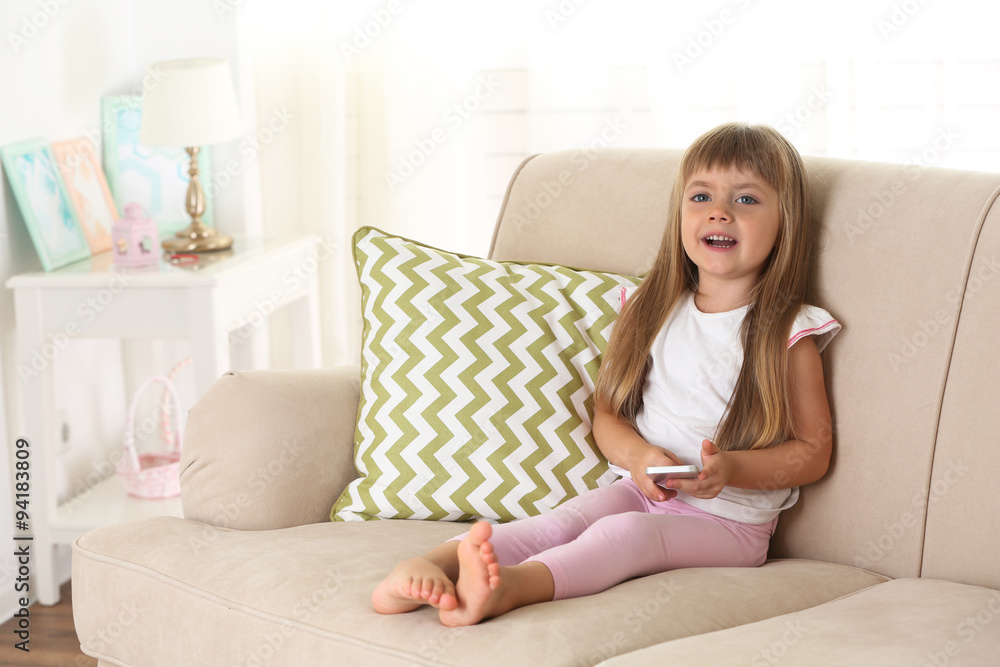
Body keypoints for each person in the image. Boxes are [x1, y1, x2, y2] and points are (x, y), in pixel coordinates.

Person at [372, 122, 840, 627]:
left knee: (625, 537)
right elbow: (607, 414)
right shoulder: (653, 306)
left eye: (746, 200)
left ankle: (508, 589)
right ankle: (426, 565)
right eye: (700, 195)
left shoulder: (788, 330)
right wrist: (638, 457)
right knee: (562, 522)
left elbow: (813, 453)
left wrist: (733, 470)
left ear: (785, 221)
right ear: (679, 214)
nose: (718, 211)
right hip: (644, 488)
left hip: (730, 523)